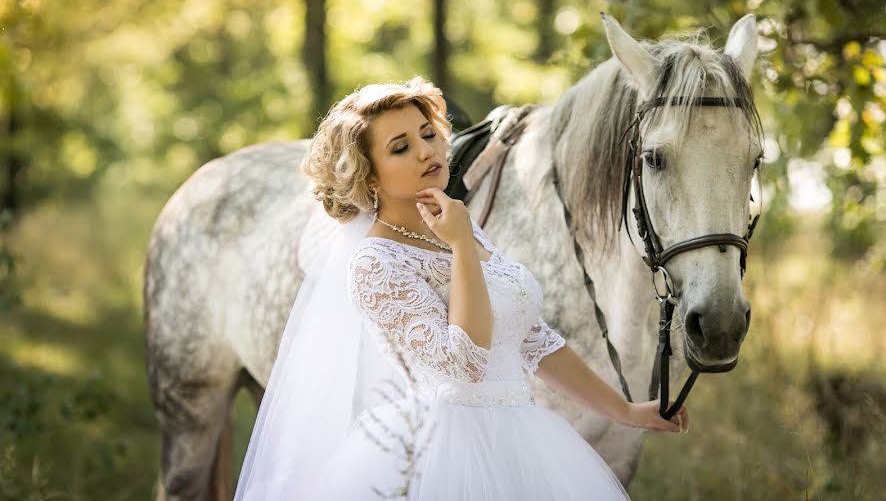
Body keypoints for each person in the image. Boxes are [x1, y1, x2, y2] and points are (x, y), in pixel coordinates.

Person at [233, 77, 689, 501]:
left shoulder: (458, 228)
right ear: (369, 176)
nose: (425, 151)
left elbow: (532, 340)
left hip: (524, 438)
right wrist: (461, 247)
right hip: (441, 455)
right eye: (400, 147)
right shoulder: (376, 264)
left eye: (426, 134)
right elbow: (464, 363)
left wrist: (626, 411)